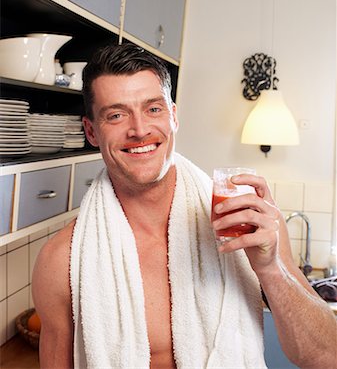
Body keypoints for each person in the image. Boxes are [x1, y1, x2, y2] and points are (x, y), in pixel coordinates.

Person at [32, 43, 336, 369]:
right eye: (116, 115)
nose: (139, 129)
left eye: (153, 109)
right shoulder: (62, 261)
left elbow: (325, 357)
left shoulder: (245, 223)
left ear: (173, 116)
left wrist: (270, 267)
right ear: (91, 131)